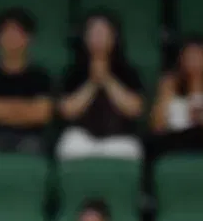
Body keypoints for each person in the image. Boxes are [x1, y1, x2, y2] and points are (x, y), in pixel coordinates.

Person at [55, 11, 145, 161]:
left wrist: (107, 79)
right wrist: (92, 83)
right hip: (83, 139)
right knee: (68, 143)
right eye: (93, 33)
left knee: (133, 148)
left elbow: (135, 109)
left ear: (114, 37)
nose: (98, 37)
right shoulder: (73, 72)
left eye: (103, 32)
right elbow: (67, 111)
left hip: (120, 138)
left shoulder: (128, 71)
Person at [0, 7, 54, 155]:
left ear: (29, 38)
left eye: (17, 32)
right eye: (6, 32)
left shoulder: (41, 76)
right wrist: (22, 110)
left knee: (34, 146)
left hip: (28, 138)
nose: (11, 38)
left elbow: (42, 113)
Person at [148, 34, 203, 157]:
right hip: (172, 138)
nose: (194, 61)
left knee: (201, 135)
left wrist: (201, 117)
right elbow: (157, 125)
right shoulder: (169, 84)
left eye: (198, 56)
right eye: (190, 56)